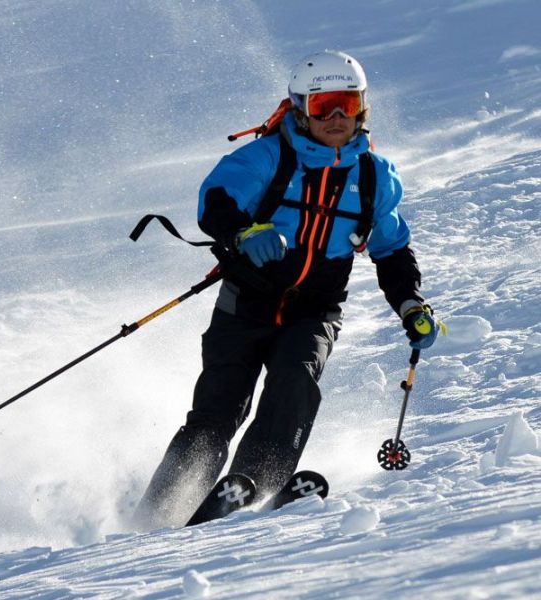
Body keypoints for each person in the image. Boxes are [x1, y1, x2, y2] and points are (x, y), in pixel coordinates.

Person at [135, 50, 439, 528]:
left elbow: (392, 249)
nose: (336, 117)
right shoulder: (267, 158)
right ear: (300, 109)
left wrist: (410, 304)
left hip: (314, 311)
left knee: (295, 383)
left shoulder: (373, 177)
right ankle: (156, 513)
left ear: (363, 108)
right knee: (217, 412)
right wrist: (243, 233)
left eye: (347, 104)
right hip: (246, 304)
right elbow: (216, 202)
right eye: (323, 106)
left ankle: (253, 483)